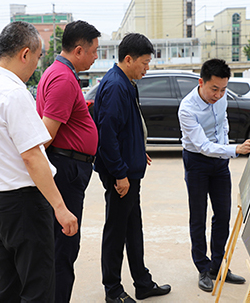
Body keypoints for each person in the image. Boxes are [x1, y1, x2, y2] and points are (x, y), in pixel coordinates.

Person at [0, 21, 78, 302]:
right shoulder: (14, 93)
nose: (36, 66)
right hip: (25, 205)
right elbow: (32, 155)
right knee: (38, 288)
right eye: (37, 58)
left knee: (6, 285)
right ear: (25, 54)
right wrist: (60, 208)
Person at [93, 33, 171, 303]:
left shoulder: (126, 83)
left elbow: (128, 128)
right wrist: (120, 174)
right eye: (145, 63)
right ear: (128, 59)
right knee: (116, 231)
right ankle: (112, 290)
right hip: (121, 176)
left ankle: (142, 282)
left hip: (130, 169)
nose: (147, 68)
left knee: (133, 228)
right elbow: (107, 135)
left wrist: (137, 153)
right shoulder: (116, 86)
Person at [178, 58, 250, 293]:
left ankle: (217, 265)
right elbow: (202, 146)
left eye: (223, 89)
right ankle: (203, 269)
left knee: (223, 215)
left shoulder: (222, 97)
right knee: (198, 215)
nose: (218, 94)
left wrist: (224, 145)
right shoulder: (187, 108)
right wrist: (235, 149)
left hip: (220, 161)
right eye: (214, 89)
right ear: (201, 82)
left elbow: (223, 122)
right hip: (197, 162)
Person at [36, 20, 100, 303]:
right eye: (94, 51)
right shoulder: (63, 78)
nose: (96, 56)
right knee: (64, 247)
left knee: (61, 245)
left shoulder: (59, 72)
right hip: (66, 168)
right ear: (78, 50)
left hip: (69, 165)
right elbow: (46, 136)